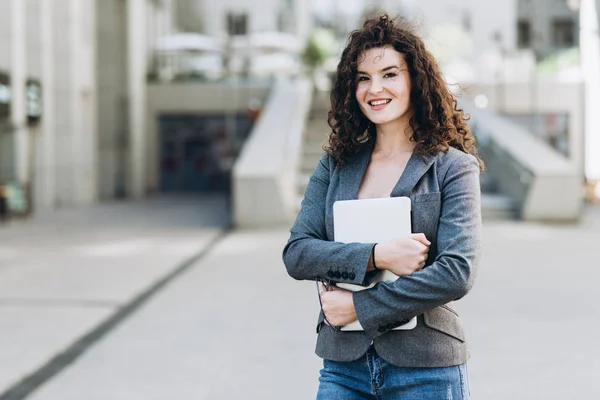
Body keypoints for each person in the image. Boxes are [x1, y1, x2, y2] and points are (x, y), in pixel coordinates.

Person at [282, 13, 484, 399]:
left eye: (390, 74)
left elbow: (457, 272)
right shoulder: (336, 165)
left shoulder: (452, 167)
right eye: (363, 78)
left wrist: (360, 306)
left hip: (426, 370)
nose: (375, 88)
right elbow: (298, 252)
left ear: (415, 81)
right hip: (344, 368)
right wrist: (377, 255)